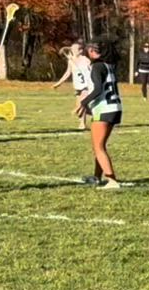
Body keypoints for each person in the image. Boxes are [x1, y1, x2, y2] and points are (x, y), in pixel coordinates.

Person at [75, 41, 124, 189]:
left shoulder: (97, 66)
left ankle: (112, 180)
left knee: (98, 147)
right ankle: (97, 177)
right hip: (115, 108)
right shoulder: (109, 66)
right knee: (100, 146)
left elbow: (97, 89)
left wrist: (84, 102)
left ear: (92, 51)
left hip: (104, 109)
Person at [52, 40, 93, 130]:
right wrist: (58, 83)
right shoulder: (71, 61)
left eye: (75, 49)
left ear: (81, 51)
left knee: (81, 105)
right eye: (72, 49)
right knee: (81, 109)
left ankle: (84, 113)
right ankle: (83, 123)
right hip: (78, 86)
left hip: (86, 86)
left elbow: (91, 69)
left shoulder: (85, 60)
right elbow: (67, 73)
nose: (72, 50)